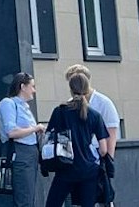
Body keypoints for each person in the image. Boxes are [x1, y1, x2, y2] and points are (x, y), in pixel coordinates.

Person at [44, 72, 110, 207]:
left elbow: (49, 138)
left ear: (70, 88)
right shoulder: (95, 115)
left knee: (52, 203)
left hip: (65, 167)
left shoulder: (60, 111)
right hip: (89, 170)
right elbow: (103, 150)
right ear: (87, 88)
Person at [0, 73, 45, 207]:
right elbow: (11, 132)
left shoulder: (25, 106)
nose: (34, 90)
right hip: (19, 152)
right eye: (32, 86)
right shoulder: (9, 103)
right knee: (23, 197)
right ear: (22, 87)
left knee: (29, 195)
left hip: (30, 152)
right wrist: (34, 129)